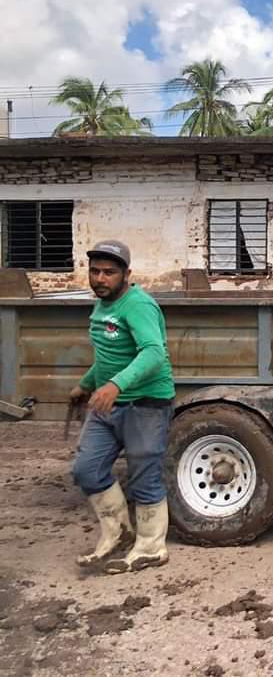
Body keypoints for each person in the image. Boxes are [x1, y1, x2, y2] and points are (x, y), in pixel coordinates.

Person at [70, 240, 175, 574]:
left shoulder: (138, 305)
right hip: (109, 401)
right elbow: (110, 355)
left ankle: (151, 547)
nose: (100, 278)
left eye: (109, 272)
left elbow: (153, 354)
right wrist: (87, 384)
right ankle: (117, 534)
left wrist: (116, 385)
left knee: (144, 476)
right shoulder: (102, 305)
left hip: (145, 403)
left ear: (126, 274)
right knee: (87, 469)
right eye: (95, 271)